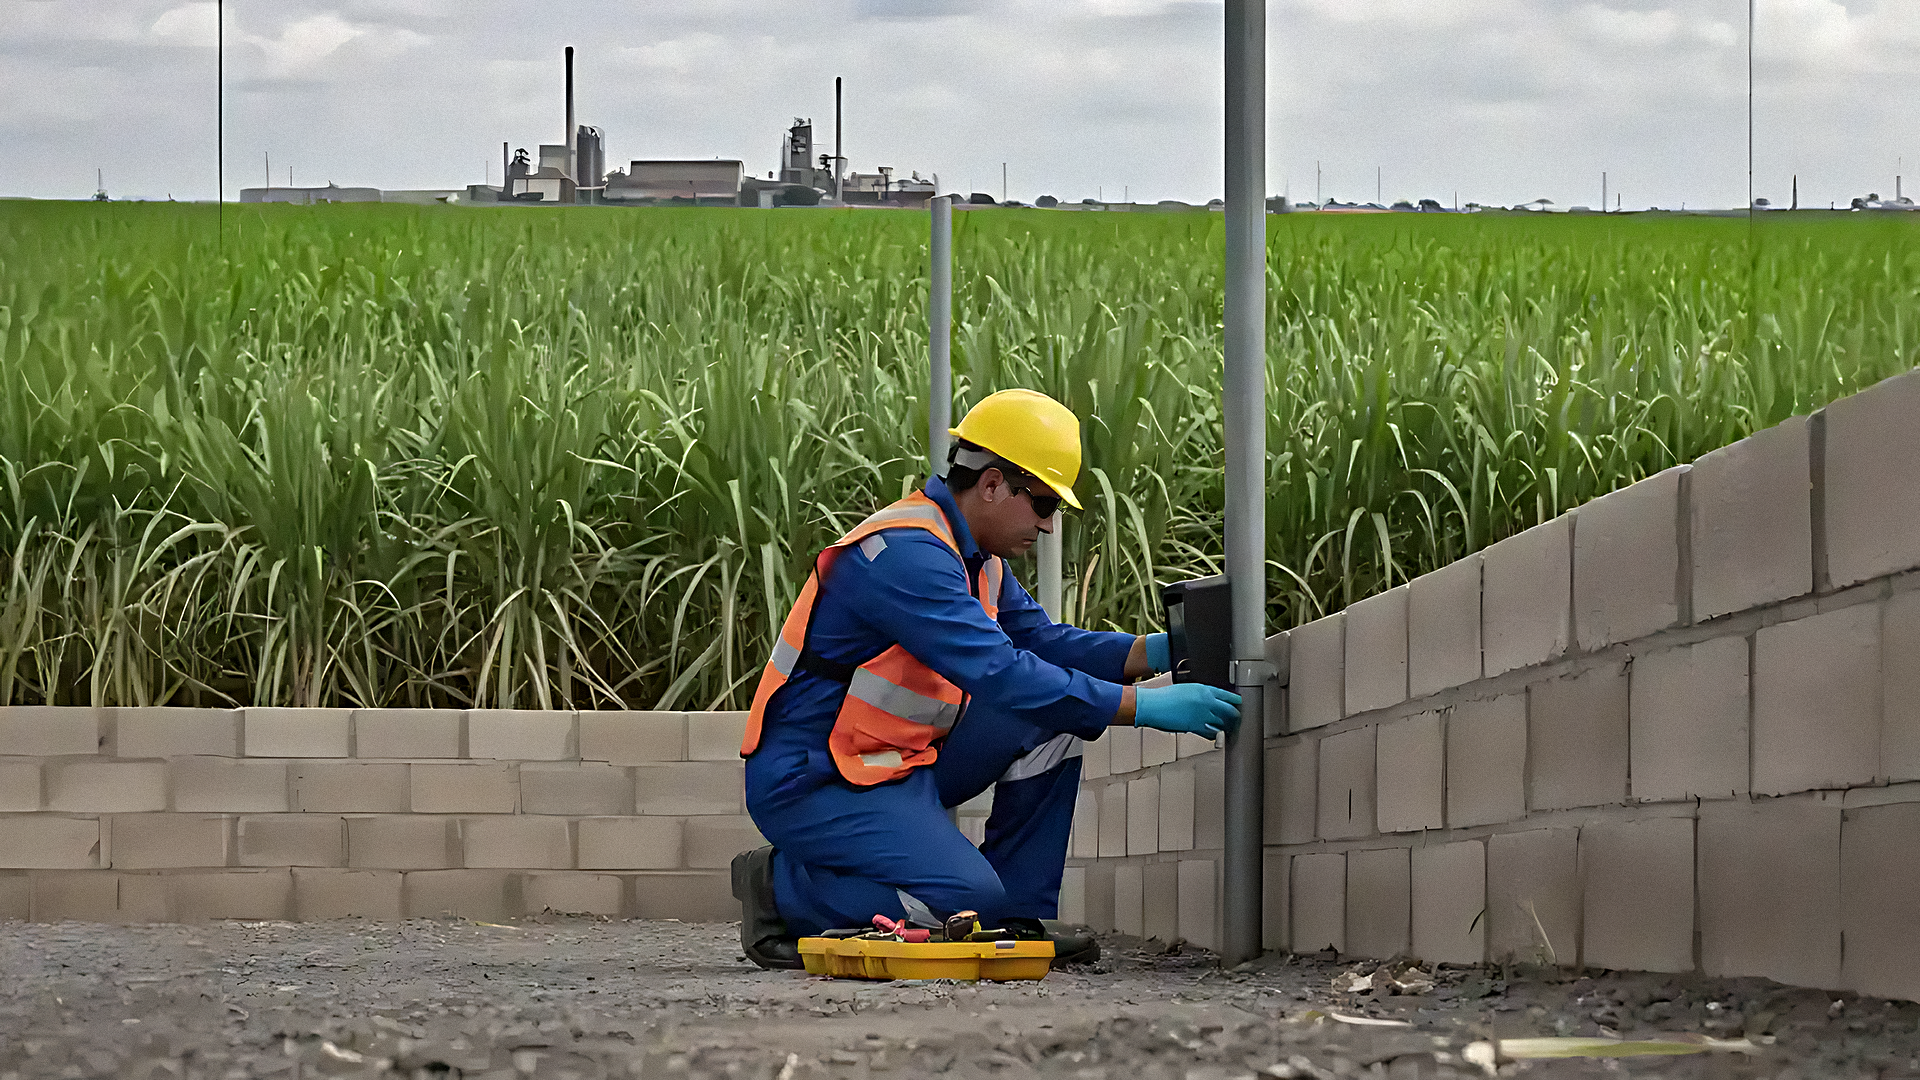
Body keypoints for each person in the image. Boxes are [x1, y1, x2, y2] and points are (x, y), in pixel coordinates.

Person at [730, 388, 1243, 969]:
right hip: (814, 779)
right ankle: (781, 888)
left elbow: (1045, 644)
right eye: (1045, 505)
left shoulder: (977, 559)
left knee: (1052, 721)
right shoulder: (906, 555)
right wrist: (1143, 708)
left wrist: (1156, 651)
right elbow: (1000, 672)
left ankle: (1016, 915)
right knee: (963, 904)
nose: (1049, 527)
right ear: (994, 483)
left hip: (894, 763)